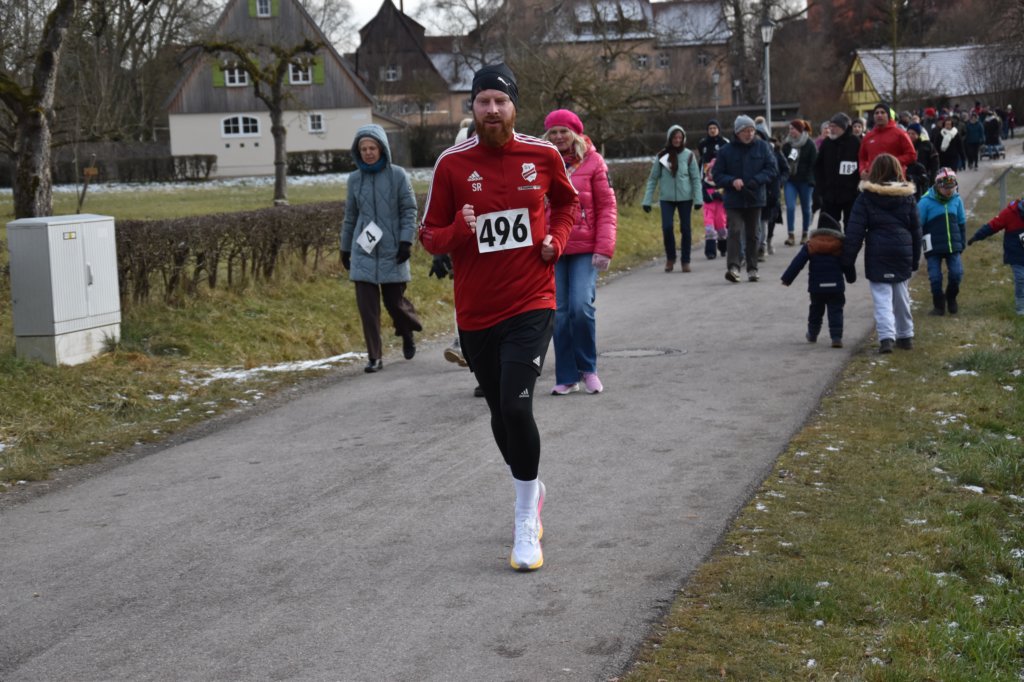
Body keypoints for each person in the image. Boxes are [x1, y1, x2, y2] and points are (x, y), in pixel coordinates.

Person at [418, 63, 580, 572]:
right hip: (477, 311)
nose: (492, 109)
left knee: (515, 405)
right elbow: (429, 236)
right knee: (498, 412)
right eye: (484, 100)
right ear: (472, 106)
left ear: (514, 107)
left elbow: (567, 205)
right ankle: (532, 488)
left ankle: (524, 517)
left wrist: (557, 240)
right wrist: (459, 230)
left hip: (531, 300)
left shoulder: (542, 154)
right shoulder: (451, 164)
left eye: (501, 101)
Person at [541, 108, 617, 396]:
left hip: (586, 247)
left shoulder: (594, 162)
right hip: (553, 247)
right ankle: (567, 376)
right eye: (553, 132)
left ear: (575, 133)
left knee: (580, 307)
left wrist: (604, 248)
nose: (559, 137)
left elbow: (607, 206)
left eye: (564, 131)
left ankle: (588, 369)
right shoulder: (541, 162)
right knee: (559, 313)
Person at [340, 124, 422, 373]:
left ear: (382, 149)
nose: (368, 153)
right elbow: (350, 216)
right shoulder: (354, 180)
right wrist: (345, 248)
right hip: (364, 250)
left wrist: (406, 241)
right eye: (363, 149)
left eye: (372, 148)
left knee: (395, 303)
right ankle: (374, 356)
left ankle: (406, 330)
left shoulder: (398, 175)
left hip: (392, 249)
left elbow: (409, 210)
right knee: (367, 309)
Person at [842, 153, 922, 354]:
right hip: (902, 250)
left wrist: (847, 260)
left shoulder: (865, 198)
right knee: (901, 295)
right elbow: (916, 230)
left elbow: (855, 232)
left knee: (882, 298)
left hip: (878, 251)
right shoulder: (907, 197)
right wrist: (915, 258)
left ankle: (886, 337)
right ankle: (906, 335)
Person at [712, 114, 778, 282]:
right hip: (733, 199)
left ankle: (752, 268)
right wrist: (732, 181)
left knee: (753, 234)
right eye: (745, 131)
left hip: (755, 197)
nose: (749, 134)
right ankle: (733, 267)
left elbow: (772, 169)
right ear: (737, 132)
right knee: (734, 231)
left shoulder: (763, 147)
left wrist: (757, 180)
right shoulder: (726, 151)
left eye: (752, 130)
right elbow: (717, 175)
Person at [780, 212, 856, 348]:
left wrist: (787, 278)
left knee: (816, 310)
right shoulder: (840, 246)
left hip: (817, 287)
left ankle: (812, 334)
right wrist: (851, 278)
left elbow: (797, 263)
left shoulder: (811, 245)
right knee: (836, 310)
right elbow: (847, 264)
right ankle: (836, 338)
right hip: (836, 287)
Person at [642, 125, 703, 272]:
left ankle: (685, 260)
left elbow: (695, 178)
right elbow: (653, 179)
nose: (677, 140)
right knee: (667, 227)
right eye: (675, 137)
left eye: (680, 138)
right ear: (670, 138)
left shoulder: (689, 155)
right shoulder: (662, 156)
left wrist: (698, 199)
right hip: (666, 198)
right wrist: (647, 200)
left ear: (683, 139)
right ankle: (670, 257)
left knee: (685, 229)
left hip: (685, 197)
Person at [917, 168, 967, 316]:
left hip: (953, 245)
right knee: (935, 277)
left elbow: (961, 222)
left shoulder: (957, 200)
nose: (949, 191)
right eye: (946, 188)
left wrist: (962, 242)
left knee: (956, 274)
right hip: (932, 246)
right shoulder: (925, 202)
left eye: (952, 188)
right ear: (938, 186)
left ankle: (951, 297)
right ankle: (938, 305)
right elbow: (918, 225)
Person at [967, 196, 1024, 316]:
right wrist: (976, 236)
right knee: (1020, 278)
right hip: (1016, 254)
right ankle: (1020, 308)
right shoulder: (1010, 213)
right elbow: (993, 226)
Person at [814, 112, 861, 230]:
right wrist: (821, 188)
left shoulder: (855, 142)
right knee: (827, 227)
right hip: (830, 195)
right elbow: (818, 166)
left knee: (851, 227)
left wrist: (858, 188)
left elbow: (862, 165)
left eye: (834, 126)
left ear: (843, 128)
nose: (831, 129)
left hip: (850, 195)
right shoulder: (827, 143)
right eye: (830, 126)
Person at [781, 119, 818, 245]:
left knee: (806, 208)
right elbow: (782, 162)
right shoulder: (787, 145)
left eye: (793, 129)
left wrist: (811, 179)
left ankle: (805, 233)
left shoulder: (809, 144)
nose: (791, 131)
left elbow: (814, 164)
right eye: (790, 129)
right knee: (790, 207)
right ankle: (790, 235)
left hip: (805, 181)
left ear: (800, 130)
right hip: (791, 181)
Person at [858, 102, 916, 179]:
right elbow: (862, 158)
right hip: (873, 178)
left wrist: (892, 162)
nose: (879, 115)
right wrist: (862, 170)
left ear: (888, 116)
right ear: (873, 116)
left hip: (895, 178)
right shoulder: (868, 137)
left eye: (882, 112)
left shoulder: (900, 133)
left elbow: (911, 155)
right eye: (876, 113)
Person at [700, 157, 728, 259]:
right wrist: (712, 196)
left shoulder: (722, 183)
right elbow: (705, 197)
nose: (713, 174)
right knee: (710, 230)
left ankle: (723, 248)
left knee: (722, 230)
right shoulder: (705, 184)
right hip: (709, 210)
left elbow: (725, 196)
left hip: (720, 210)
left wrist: (720, 196)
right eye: (711, 171)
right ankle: (710, 252)